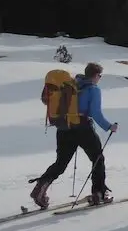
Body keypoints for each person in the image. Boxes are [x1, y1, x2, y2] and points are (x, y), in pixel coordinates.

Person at [30, 62, 118, 208]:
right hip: (83, 128)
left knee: (61, 163)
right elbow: (95, 112)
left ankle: (40, 187)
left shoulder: (71, 85)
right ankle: (99, 192)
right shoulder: (93, 89)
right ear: (96, 75)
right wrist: (109, 127)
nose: (99, 79)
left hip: (64, 128)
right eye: (100, 76)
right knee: (98, 159)